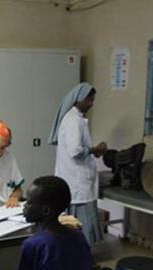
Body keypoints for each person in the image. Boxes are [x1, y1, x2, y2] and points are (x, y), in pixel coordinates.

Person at [49, 83, 107, 246]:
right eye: (90, 100)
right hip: (78, 183)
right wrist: (96, 149)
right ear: (79, 99)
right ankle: (83, 258)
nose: (92, 104)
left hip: (73, 180)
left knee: (73, 226)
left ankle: (77, 255)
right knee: (82, 226)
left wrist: (91, 150)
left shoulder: (71, 118)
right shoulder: (74, 120)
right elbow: (75, 151)